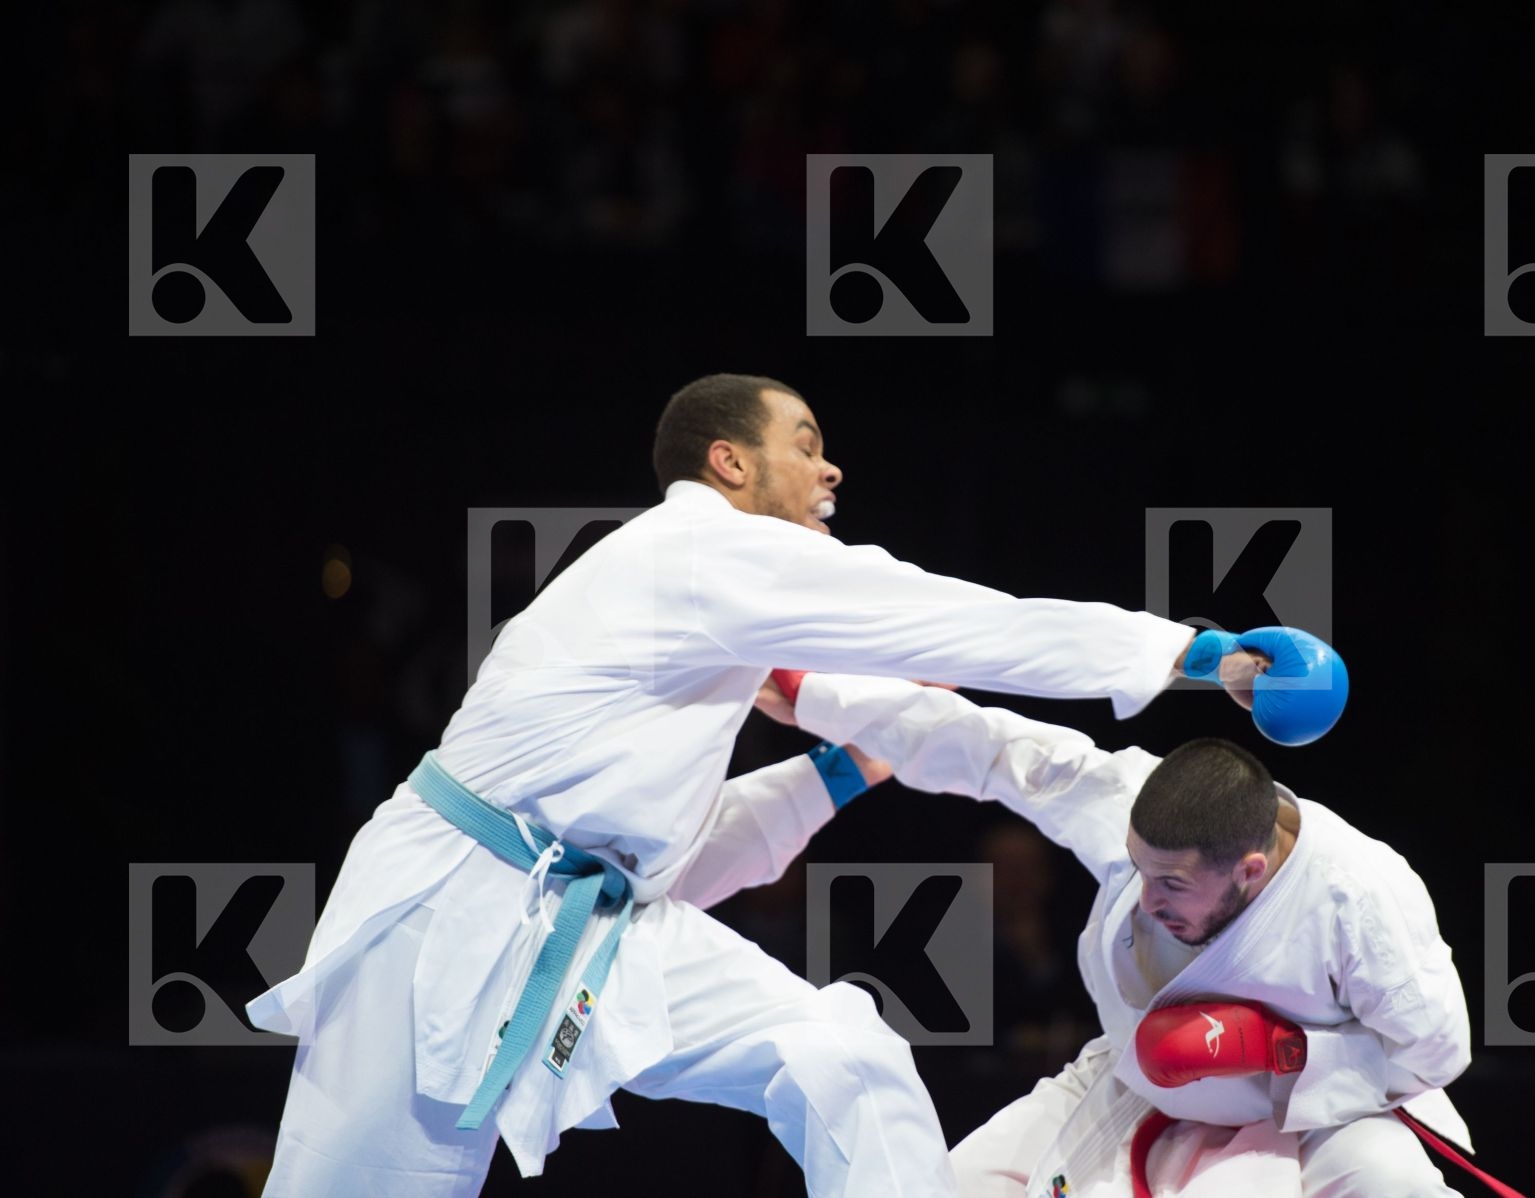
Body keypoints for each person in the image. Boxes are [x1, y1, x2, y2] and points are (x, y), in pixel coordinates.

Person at [245, 373, 1318, 1197]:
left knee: (842, 1051)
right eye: (804, 445)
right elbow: (965, 618)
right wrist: (1190, 654)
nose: (830, 470)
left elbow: (673, 857)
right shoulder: (703, 555)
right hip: (448, 911)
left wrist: (842, 768)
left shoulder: (704, 609)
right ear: (728, 464)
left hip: (592, 918)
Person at [767, 668, 1475, 1197]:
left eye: (1172, 885)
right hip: (1130, 1080)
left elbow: (1436, 1051)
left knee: (1397, 1187)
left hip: (1309, 1117)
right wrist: (825, 698)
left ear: (1250, 870)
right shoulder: (1124, 804)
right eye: (1140, 870)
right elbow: (999, 749)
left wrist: (1285, 1051)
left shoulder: (1359, 894)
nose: (1146, 898)